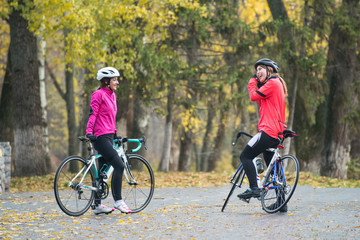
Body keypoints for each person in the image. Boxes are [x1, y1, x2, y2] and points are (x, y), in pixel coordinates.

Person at [237, 58, 288, 212]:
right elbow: (262, 100)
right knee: (272, 168)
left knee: (245, 156)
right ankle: (282, 203)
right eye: (256, 69)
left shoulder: (273, 83)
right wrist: (259, 82)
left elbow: (253, 96)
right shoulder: (275, 84)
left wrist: (252, 81)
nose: (257, 72)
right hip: (276, 132)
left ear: (270, 70)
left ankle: (254, 187)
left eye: (261, 68)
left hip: (268, 131)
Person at [86, 67, 132, 215]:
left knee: (102, 173)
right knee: (119, 165)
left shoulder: (112, 96)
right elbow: (93, 115)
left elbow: (110, 118)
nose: (117, 82)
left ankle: (97, 205)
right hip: (99, 137)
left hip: (108, 137)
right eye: (114, 80)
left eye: (117, 79)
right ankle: (118, 201)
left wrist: (115, 135)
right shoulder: (98, 95)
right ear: (106, 81)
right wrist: (89, 132)